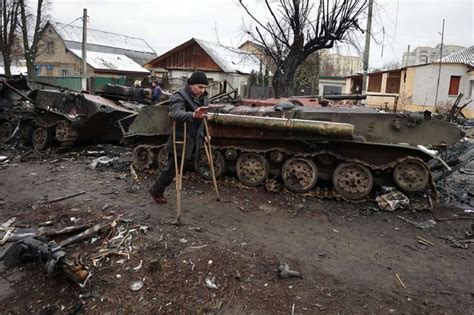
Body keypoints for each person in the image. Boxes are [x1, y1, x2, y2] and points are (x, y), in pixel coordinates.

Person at [148, 71, 209, 204]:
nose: (202, 90)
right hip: (181, 139)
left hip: (194, 139)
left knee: (176, 169)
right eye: (199, 87)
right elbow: (176, 113)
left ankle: (157, 189)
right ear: (191, 84)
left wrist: (205, 134)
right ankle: (156, 190)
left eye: (204, 88)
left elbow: (203, 119)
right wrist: (193, 115)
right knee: (171, 169)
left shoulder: (203, 97)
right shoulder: (180, 95)